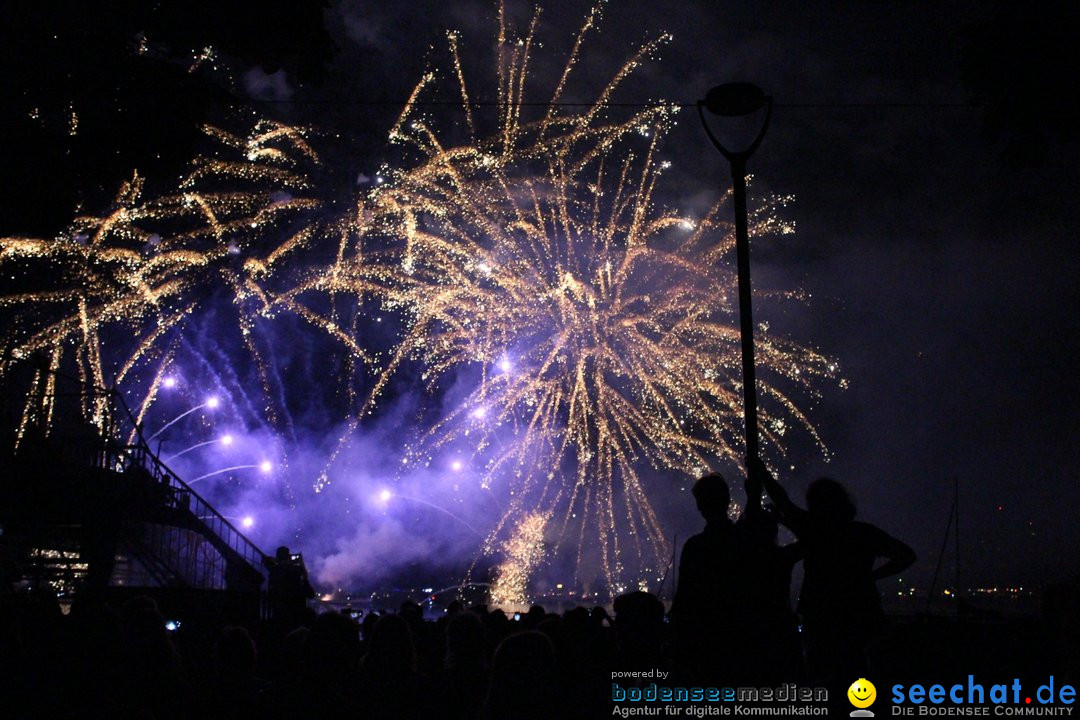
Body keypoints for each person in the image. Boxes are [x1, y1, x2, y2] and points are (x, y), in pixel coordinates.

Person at [750, 458, 915, 686]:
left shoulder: (813, 529)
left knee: (823, 681)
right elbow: (906, 555)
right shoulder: (862, 533)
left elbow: (784, 502)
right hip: (861, 614)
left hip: (821, 617)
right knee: (860, 678)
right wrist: (872, 576)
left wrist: (762, 473)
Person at [266, 546, 315, 629]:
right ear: (288, 557)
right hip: (296, 617)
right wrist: (304, 574)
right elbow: (310, 594)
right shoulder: (296, 572)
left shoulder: (274, 571)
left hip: (278, 616)